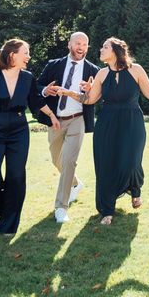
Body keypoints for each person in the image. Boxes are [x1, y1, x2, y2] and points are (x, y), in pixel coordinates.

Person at [58, 37, 149, 225]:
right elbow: (89, 100)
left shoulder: (136, 70)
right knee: (106, 165)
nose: (100, 50)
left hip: (132, 123)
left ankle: (135, 188)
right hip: (107, 123)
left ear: (115, 51)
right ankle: (107, 210)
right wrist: (69, 93)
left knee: (131, 161)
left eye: (105, 47)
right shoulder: (101, 74)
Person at [0, 39, 60, 235]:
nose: (29, 57)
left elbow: (35, 101)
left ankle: (8, 224)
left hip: (18, 131)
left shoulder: (28, 77)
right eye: (26, 52)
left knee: (16, 177)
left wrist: (51, 115)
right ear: (12, 54)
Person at [37, 32, 99, 224]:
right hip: (55, 119)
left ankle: (61, 207)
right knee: (57, 159)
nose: (81, 47)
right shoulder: (54, 65)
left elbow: (98, 96)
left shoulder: (93, 70)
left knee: (70, 161)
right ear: (69, 44)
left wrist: (91, 90)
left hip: (77, 119)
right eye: (78, 43)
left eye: (85, 44)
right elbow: (38, 85)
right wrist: (44, 90)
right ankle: (75, 183)